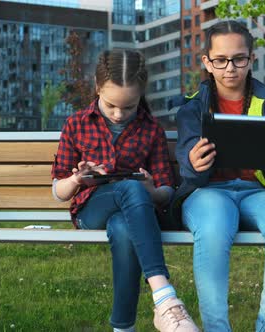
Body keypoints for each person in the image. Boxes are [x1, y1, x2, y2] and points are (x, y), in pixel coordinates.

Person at [51, 49, 199, 332]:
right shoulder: (76, 124)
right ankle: (165, 298)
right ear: (97, 89)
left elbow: (166, 190)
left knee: (122, 227)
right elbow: (59, 191)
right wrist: (78, 180)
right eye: (111, 106)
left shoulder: (151, 129)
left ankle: (123, 328)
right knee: (128, 189)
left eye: (129, 107)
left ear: (141, 94)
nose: (119, 114)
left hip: (135, 215)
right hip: (91, 211)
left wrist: (151, 190)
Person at [173, 20, 265, 332]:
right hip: (208, 194)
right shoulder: (192, 108)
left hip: (257, 192)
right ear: (207, 62)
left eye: (239, 59)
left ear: (251, 59)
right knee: (214, 226)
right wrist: (194, 162)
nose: (230, 68)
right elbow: (187, 166)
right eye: (220, 60)